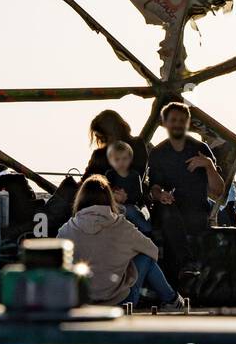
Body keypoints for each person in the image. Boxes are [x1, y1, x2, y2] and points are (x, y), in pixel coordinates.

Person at [58, 175, 186, 311]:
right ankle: (172, 301)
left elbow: (58, 268)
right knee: (145, 257)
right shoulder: (121, 226)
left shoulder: (66, 230)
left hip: (81, 303)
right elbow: (152, 250)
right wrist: (126, 260)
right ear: (109, 198)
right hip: (121, 303)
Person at [147, 102, 223, 280]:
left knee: (181, 224)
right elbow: (154, 189)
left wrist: (209, 166)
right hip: (169, 209)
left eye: (182, 120)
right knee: (168, 214)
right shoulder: (158, 153)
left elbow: (218, 191)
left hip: (196, 211)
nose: (178, 124)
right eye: (173, 120)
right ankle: (187, 263)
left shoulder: (201, 150)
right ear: (165, 123)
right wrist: (161, 195)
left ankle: (177, 284)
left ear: (188, 122)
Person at [82, 110, 149, 233]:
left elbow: (137, 175)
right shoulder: (99, 154)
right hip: (103, 202)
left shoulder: (136, 145)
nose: (98, 139)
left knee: (134, 217)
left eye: (101, 136)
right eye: (98, 136)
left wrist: (121, 194)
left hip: (131, 201)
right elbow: (86, 181)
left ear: (112, 132)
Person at [100, 141, 151, 234]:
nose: (121, 162)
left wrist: (125, 197)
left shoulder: (135, 175)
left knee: (132, 212)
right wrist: (114, 195)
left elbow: (138, 195)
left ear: (130, 159)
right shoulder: (110, 174)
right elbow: (105, 192)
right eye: (117, 159)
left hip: (130, 205)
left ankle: (147, 233)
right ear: (111, 161)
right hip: (113, 206)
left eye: (124, 159)